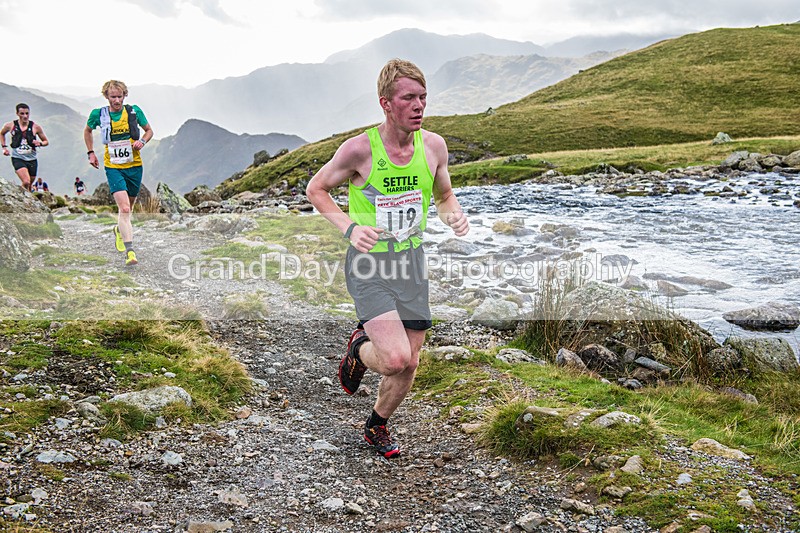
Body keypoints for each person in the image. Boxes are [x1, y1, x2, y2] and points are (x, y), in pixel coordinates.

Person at [307, 59, 469, 458]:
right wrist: (350, 228)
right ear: (386, 103)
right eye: (409, 98)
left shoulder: (433, 146)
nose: (419, 106)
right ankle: (359, 348)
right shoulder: (361, 149)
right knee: (394, 359)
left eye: (423, 97)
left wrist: (454, 216)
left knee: (410, 363)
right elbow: (317, 189)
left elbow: (444, 193)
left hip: (411, 263)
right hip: (370, 266)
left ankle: (376, 425)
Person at [84, 80, 153, 267]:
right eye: (113, 97)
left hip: (134, 165)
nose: (116, 101)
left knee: (128, 209)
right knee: (124, 209)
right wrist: (91, 153)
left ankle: (119, 229)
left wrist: (142, 142)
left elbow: (148, 131)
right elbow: (88, 131)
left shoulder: (133, 111)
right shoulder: (98, 114)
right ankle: (130, 252)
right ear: (106, 96)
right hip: (113, 166)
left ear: (124, 95)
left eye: (119, 96)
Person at [1, 103, 49, 191]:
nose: (25, 116)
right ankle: (21, 199)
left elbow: (46, 141)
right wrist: (4, 147)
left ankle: (26, 200)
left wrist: (40, 143)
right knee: (26, 181)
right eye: (22, 113)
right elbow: (2, 133)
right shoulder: (10, 125)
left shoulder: (36, 127)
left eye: (27, 113)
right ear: (17, 114)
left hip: (32, 159)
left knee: (29, 185)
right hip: (18, 158)